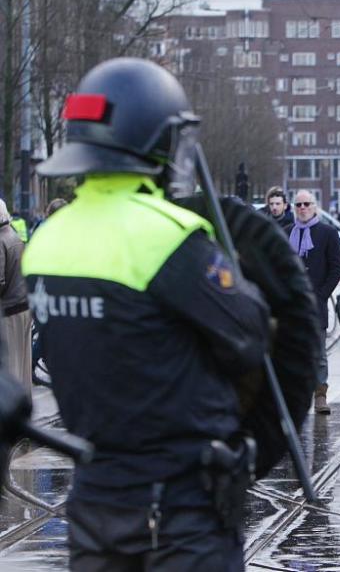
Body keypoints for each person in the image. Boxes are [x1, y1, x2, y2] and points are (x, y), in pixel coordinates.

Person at [21, 57, 319, 569]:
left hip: (96, 496)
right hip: (178, 509)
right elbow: (249, 335)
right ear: (157, 142)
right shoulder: (167, 237)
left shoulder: (46, 242)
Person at [291, 189, 340, 415]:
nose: (302, 208)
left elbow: (337, 268)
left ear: (314, 206)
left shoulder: (327, 232)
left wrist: (322, 294)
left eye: (306, 204)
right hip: (291, 306)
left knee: (319, 353)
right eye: (298, 205)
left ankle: (320, 395)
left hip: (317, 303)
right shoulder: (286, 232)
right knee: (292, 352)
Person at [0, 199, 30, 394]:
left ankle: (12, 415)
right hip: (23, 306)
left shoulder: (0, 240)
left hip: (9, 311)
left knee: (10, 367)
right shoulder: (13, 235)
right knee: (23, 365)